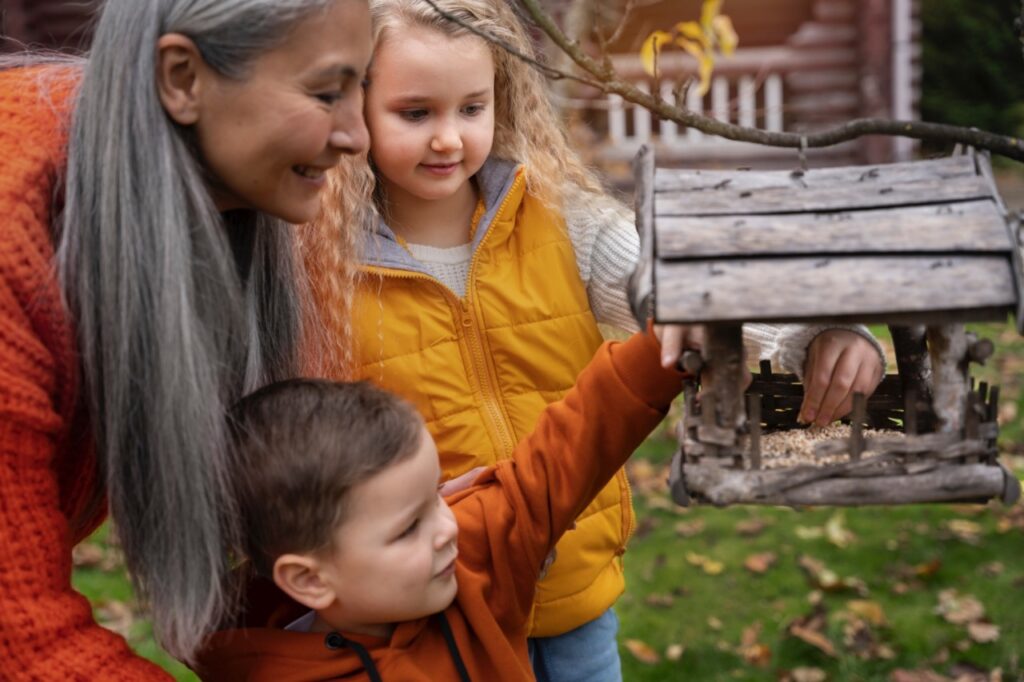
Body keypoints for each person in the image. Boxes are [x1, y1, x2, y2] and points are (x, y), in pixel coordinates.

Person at [301, 0, 887, 679]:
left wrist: (819, 331)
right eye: (415, 113)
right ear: (357, 109)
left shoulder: (559, 221)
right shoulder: (323, 266)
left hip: (576, 592)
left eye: (471, 108)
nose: (449, 139)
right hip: (433, 615)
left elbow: (680, 288)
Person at [0, 0, 372, 676]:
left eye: (362, 90)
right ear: (182, 78)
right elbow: (21, 639)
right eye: (325, 93)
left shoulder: (233, 205)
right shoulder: (11, 235)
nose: (358, 136)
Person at [196, 326, 687, 681]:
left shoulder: (469, 559)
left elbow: (570, 449)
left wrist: (664, 342)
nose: (447, 526)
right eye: (408, 527)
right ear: (310, 579)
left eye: (436, 495)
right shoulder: (259, 667)